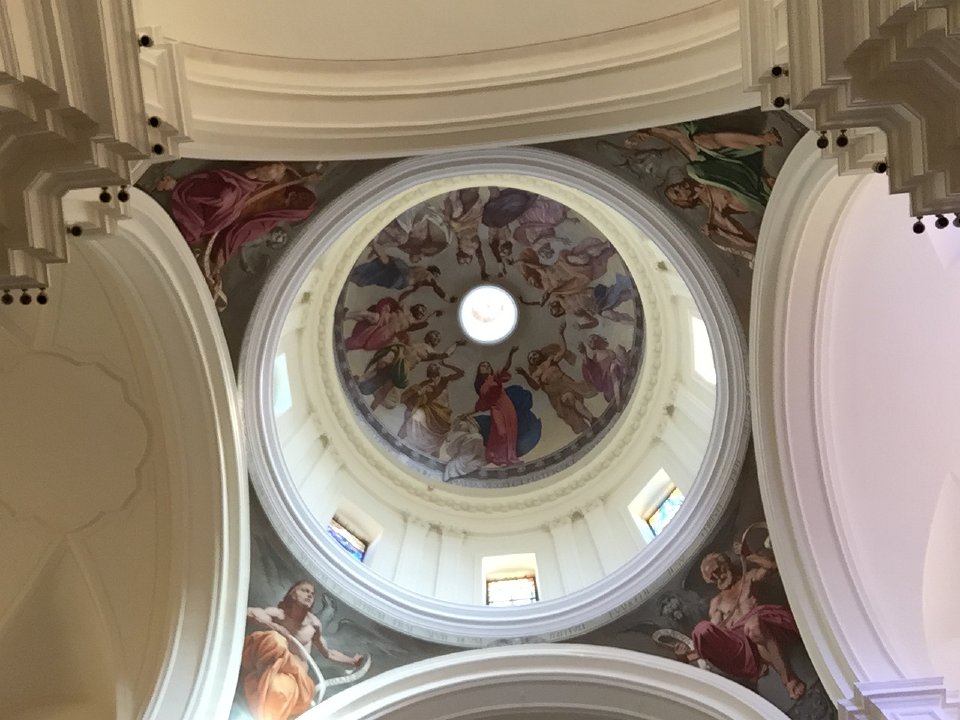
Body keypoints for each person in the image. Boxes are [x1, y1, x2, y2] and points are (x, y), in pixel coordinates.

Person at [166, 162, 322, 308]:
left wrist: (222, 257)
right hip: (237, 189)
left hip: (222, 217)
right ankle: (182, 187)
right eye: (298, 196)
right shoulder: (283, 180)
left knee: (206, 223)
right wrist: (260, 176)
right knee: (225, 196)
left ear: (290, 212)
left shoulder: (266, 222)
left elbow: (240, 234)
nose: (292, 198)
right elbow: (255, 177)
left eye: (295, 203)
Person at [677, 545, 806, 700]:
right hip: (741, 643)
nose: (718, 577)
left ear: (725, 564)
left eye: (717, 570)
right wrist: (686, 657)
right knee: (701, 629)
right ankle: (757, 666)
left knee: (753, 626)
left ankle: (789, 680)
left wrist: (750, 555)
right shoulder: (717, 602)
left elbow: (772, 566)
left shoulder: (748, 578)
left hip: (763, 624)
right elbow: (714, 634)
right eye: (712, 577)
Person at [242, 580, 363, 720]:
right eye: (305, 590)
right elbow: (249, 612)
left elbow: (328, 653)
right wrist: (277, 628)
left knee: (278, 690)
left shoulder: (314, 625)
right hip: (271, 664)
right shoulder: (278, 614)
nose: (310, 595)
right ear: (292, 594)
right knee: (274, 639)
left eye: (312, 593)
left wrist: (352, 661)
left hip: (294, 675)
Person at [517, 322, 597, 434]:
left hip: (566, 384)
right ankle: (588, 425)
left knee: (570, 398)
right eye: (531, 358)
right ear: (531, 363)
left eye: (534, 354)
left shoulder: (550, 360)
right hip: (555, 394)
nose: (533, 357)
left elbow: (562, 351)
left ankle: (592, 419)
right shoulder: (536, 374)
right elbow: (536, 386)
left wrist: (561, 334)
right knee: (571, 409)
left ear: (539, 354)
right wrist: (524, 374)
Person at [356, 332, 464, 410]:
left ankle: (372, 408)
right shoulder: (417, 343)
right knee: (377, 372)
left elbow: (446, 354)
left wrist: (456, 344)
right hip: (397, 360)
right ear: (428, 335)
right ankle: (358, 382)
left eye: (438, 338)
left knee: (386, 389)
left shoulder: (430, 352)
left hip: (402, 368)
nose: (436, 337)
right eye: (435, 334)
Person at [398, 360, 464, 456]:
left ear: (438, 370)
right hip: (429, 409)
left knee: (441, 431)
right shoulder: (426, 383)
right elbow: (414, 395)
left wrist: (446, 364)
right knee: (413, 416)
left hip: (442, 412)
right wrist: (421, 392)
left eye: (435, 368)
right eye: (431, 368)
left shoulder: (444, 380)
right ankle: (403, 438)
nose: (433, 369)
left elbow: (461, 373)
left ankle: (435, 451)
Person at [344, 298, 439, 352]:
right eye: (422, 309)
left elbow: (426, 323)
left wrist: (434, 314)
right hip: (384, 318)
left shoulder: (412, 323)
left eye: (423, 314)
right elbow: (398, 300)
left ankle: (347, 345)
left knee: (363, 340)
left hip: (386, 333)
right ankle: (346, 315)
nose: (422, 313)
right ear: (417, 306)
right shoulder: (404, 307)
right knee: (368, 315)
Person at [578, 334, 628, 410]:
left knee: (619, 349)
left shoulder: (607, 350)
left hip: (619, 368)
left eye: (594, 338)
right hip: (609, 379)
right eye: (590, 341)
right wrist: (583, 353)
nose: (593, 341)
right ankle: (618, 400)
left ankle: (626, 372)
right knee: (613, 368)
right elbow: (588, 365)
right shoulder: (594, 355)